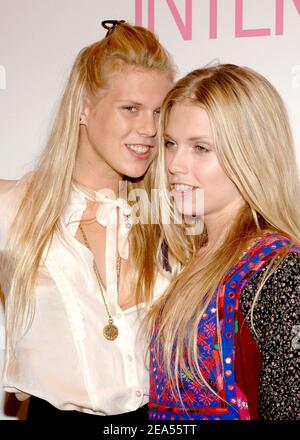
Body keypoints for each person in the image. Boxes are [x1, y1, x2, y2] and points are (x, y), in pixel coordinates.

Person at [0, 20, 174, 422]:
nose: (148, 129)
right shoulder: (15, 209)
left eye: (159, 112)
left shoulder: (174, 218)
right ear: (84, 107)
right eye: (130, 108)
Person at [146, 64, 300, 420]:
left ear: (250, 155)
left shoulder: (281, 271)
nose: (174, 164)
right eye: (170, 144)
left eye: (200, 148)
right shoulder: (188, 258)